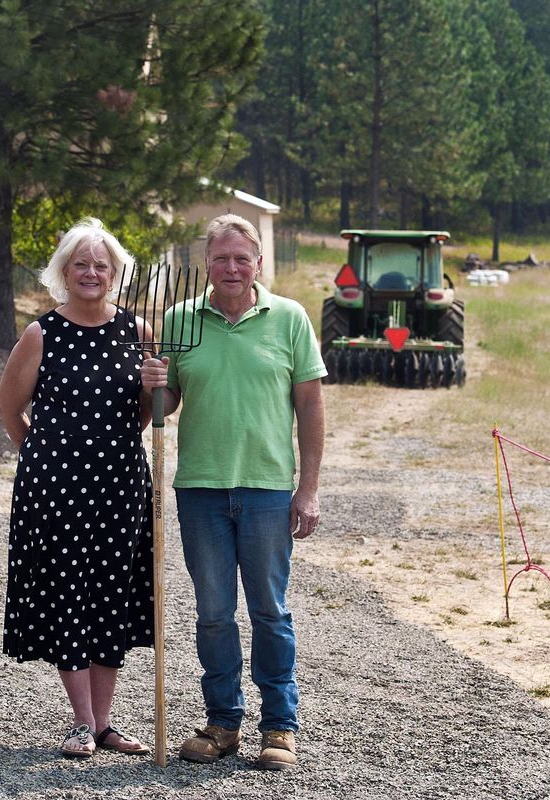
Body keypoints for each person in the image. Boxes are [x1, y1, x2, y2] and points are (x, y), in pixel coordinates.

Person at [141, 213, 325, 770]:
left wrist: (308, 488)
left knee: (270, 611)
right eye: (220, 257)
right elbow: (166, 406)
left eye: (241, 257)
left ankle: (279, 726)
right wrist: (151, 387)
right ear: (206, 264)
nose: (230, 267)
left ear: (258, 262)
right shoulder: (179, 319)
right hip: (200, 489)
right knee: (215, 613)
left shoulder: (289, 319)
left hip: (269, 489)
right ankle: (222, 723)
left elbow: (311, 407)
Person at [0, 217, 155, 759]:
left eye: (101, 265)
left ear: (115, 273)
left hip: (121, 487)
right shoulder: (42, 333)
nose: (91, 273)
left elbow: (150, 412)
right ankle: (81, 722)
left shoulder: (137, 332)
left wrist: (162, 388)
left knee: (112, 597)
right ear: (64, 271)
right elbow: (9, 409)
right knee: (67, 596)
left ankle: (105, 723)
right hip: (56, 492)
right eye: (81, 264)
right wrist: (43, 459)